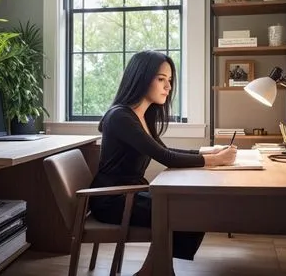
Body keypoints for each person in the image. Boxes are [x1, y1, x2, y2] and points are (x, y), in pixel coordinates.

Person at [89, 50, 237, 276]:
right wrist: (214, 160)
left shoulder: (139, 117)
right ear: (140, 77)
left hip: (130, 193)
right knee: (189, 209)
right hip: (113, 199)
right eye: (161, 79)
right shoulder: (120, 117)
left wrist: (207, 151)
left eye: (169, 81)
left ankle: (154, 269)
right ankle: (157, 270)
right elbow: (165, 157)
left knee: (190, 205)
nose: (168, 87)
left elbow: (164, 150)